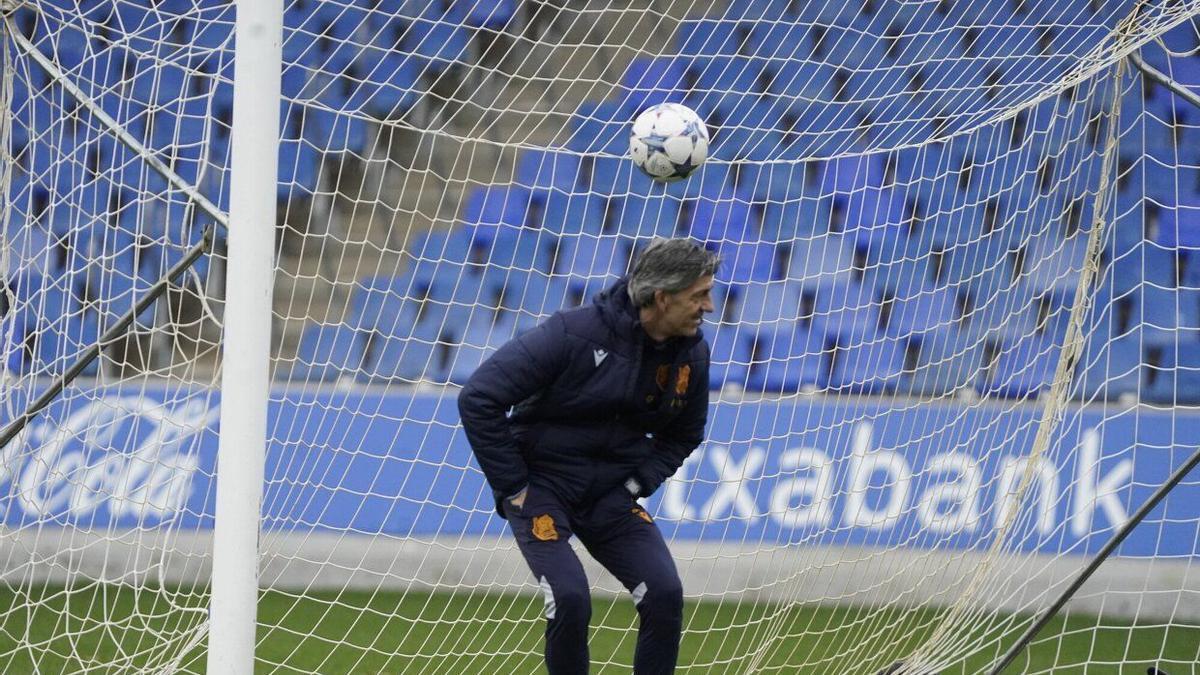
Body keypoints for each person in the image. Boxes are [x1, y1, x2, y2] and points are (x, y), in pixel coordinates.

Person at [458, 237, 718, 674]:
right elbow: (478, 397)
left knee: (664, 592)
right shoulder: (573, 332)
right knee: (571, 597)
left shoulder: (692, 354)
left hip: (612, 498)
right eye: (699, 295)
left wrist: (636, 485)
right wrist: (515, 488)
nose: (708, 306)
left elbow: (685, 434)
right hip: (542, 490)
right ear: (662, 298)